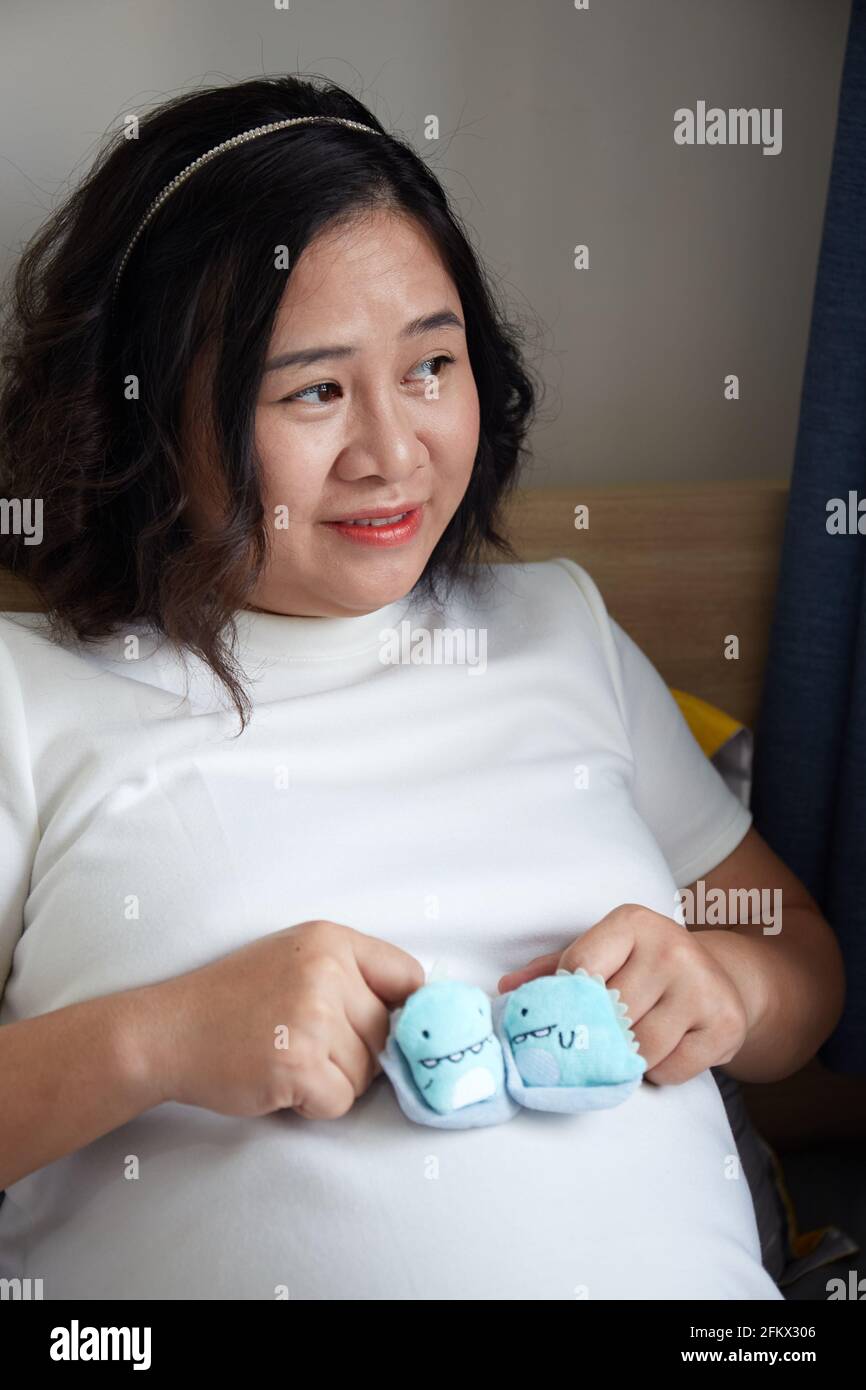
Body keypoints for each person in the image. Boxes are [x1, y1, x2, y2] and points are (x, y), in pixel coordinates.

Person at [0, 75, 843, 1300]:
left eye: (431, 366)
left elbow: (803, 965)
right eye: (314, 390)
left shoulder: (560, 623)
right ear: (139, 420)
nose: (393, 453)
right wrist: (161, 1039)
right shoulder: (33, 702)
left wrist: (722, 983)